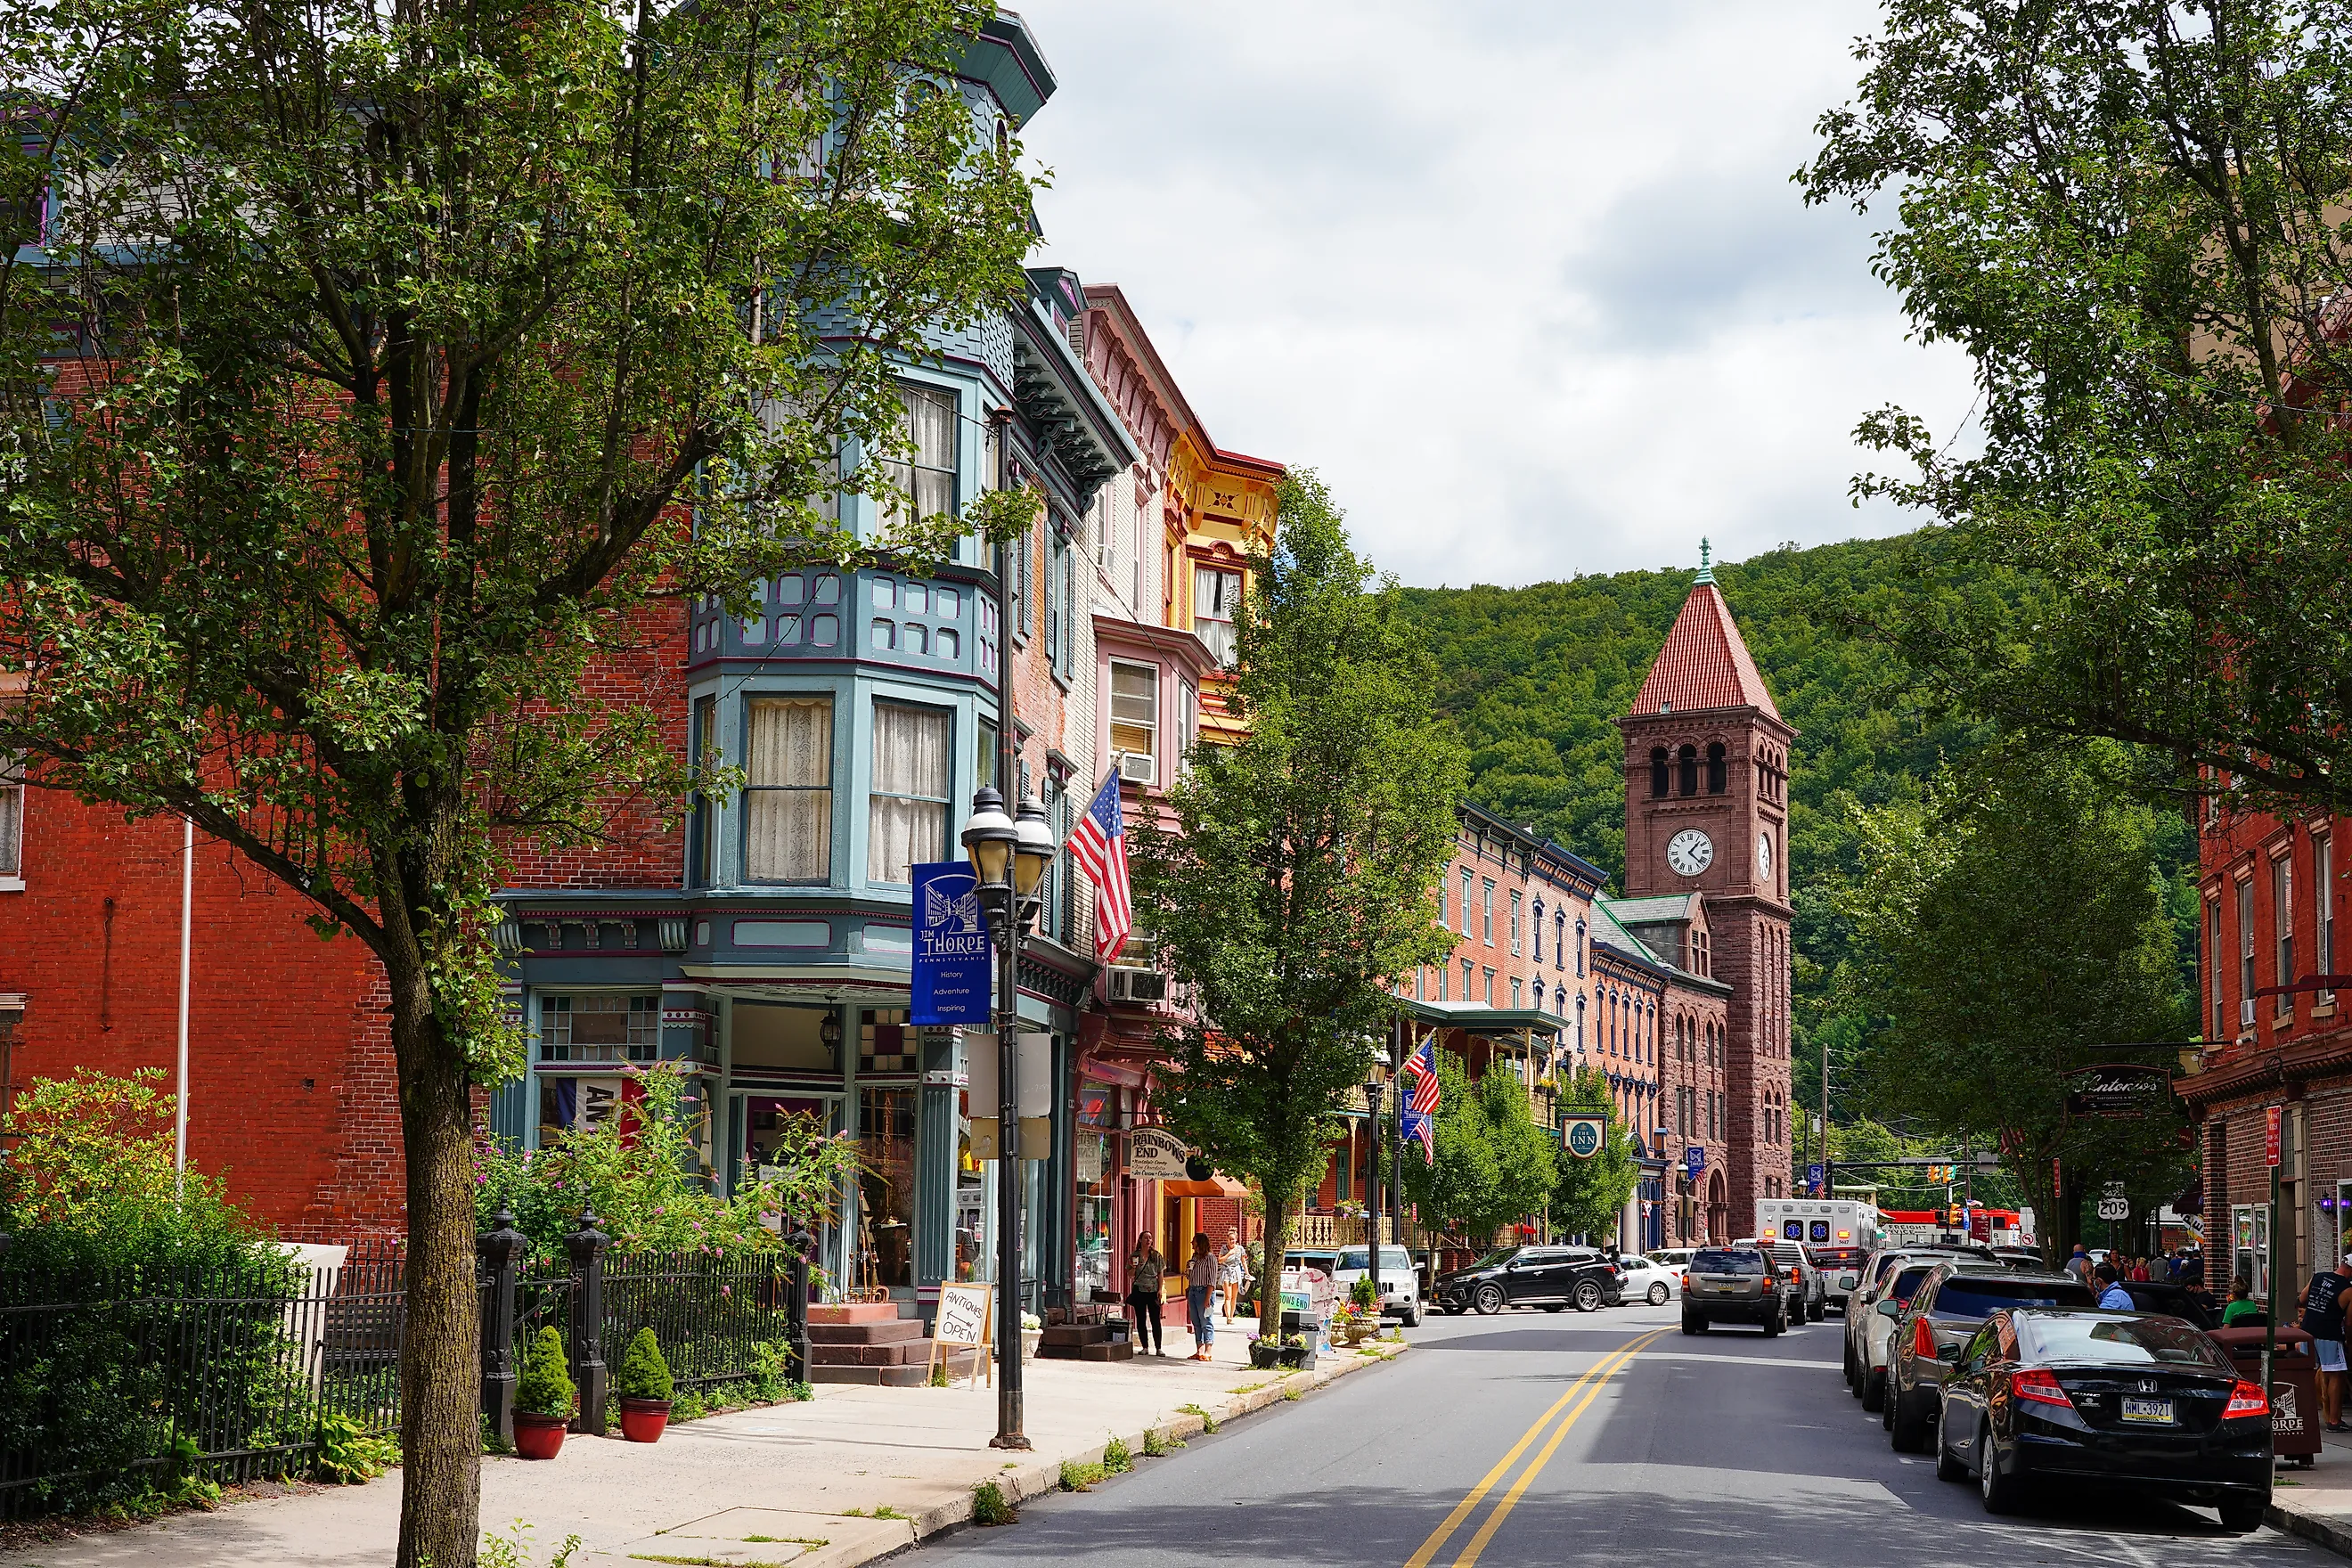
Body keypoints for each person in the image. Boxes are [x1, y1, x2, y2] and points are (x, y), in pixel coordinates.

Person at [2296, 1254, 2351, 1432]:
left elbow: (2302, 1300)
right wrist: (2349, 1341)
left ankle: (2304, 1414)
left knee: (2307, 1371)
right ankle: (2334, 1421)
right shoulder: (2348, 1290)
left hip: (2307, 1331)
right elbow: (2349, 1323)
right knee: (2335, 1374)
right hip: (2329, 1334)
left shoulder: (2317, 1277)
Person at [1126, 1232, 1165, 1356]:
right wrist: (1133, 1267)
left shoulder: (1156, 1256)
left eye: (1150, 1238)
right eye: (1145, 1238)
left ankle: (1158, 1347)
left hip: (1153, 1290)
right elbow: (1130, 1275)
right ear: (1140, 1240)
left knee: (1155, 1320)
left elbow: (1160, 1274)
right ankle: (1145, 1347)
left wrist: (1160, 1289)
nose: (1148, 1240)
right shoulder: (1135, 1256)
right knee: (1141, 1319)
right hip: (1139, 1289)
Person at [1184, 1233, 1218, 1362]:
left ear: (1200, 1243)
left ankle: (1208, 1351)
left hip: (1204, 1291)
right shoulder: (1194, 1257)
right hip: (1193, 1290)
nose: (1192, 1244)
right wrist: (1188, 1270)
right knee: (1196, 1322)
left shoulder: (1210, 1258)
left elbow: (1212, 1280)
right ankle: (1200, 1350)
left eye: (1194, 1241)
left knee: (1206, 1321)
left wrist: (1207, 1298)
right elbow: (1190, 1277)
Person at [1218, 1229, 1247, 1322]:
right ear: (1227, 1239)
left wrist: (1247, 1273)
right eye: (1230, 1239)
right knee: (1228, 1296)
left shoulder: (1240, 1249)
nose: (1232, 1241)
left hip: (1236, 1272)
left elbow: (1243, 1261)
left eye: (1233, 1239)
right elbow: (1220, 1260)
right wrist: (1228, 1254)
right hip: (1226, 1271)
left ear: (1236, 1239)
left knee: (1234, 1297)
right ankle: (1228, 1317)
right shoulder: (1224, 1248)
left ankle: (1232, 1315)